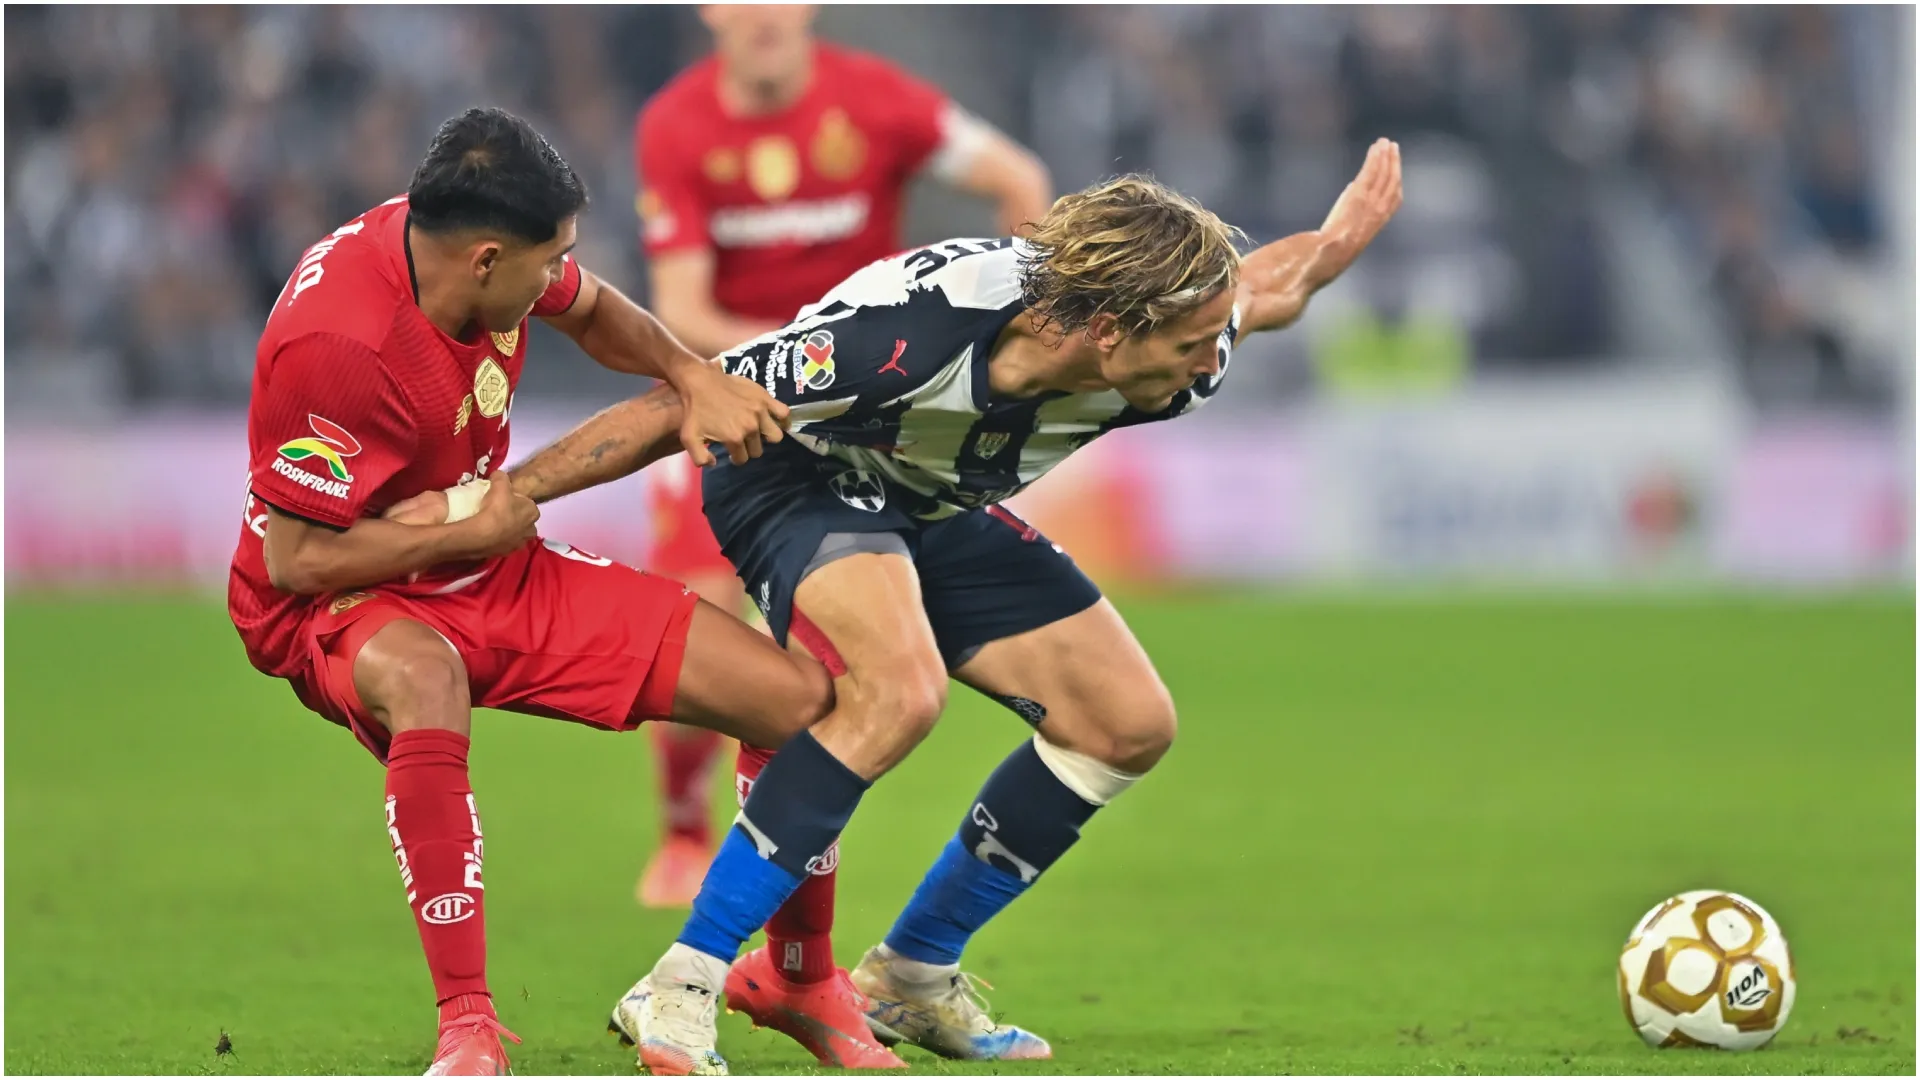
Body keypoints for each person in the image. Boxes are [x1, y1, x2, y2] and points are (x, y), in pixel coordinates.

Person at [551, 140, 1404, 1075]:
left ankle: (909, 978)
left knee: (1123, 724)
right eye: (1191, 344)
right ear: (1111, 330)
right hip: (798, 479)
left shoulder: (1176, 323)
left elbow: (1264, 287)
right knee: (900, 693)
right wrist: (503, 502)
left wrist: (1332, 242)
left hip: (928, 497)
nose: (1210, 363)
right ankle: (681, 980)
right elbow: (688, 396)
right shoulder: (909, 338)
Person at [227, 107, 817, 1077]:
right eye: (553, 261)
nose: (562, 279)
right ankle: (469, 1030)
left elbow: (591, 313)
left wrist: (687, 373)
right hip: (339, 596)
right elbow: (295, 563)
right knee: (428, 683)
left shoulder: (465, 250)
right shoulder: (336, 341)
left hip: (491, 562)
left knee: (791, 704)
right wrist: (468, 529)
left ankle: (788, 978)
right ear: (491, 261)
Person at [626, 5, 1050, 1066]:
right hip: (743, 404)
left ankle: (797, 968)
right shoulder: (676, 128)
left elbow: (1015, 173)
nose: (764, 12)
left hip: (871, 429)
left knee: (829, 685)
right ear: (709, 14)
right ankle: (688, 838)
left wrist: (1013, 299)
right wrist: (821, 355)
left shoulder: (880, 102)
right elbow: (681, 303)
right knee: (712, 617)